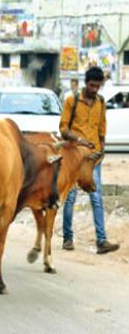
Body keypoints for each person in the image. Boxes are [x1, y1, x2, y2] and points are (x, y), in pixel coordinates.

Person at [59, 66, 119, 254]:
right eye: (92, 86)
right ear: (86, 83)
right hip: (75, 156)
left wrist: (102, 150)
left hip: (93, 159)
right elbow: (63, 129)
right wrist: (78, 140)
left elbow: (102, 130)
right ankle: (67, 237)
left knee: (96, 197)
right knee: (70, 197)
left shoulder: (101, 102)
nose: (94, 89)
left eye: (98, 86)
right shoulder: (72, 100)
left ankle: (101, 240)